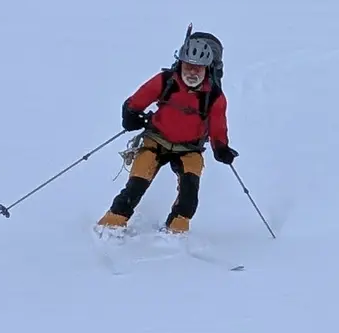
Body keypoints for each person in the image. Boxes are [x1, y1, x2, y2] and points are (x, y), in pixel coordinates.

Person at [97, 31, 236, 234]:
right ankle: (113, 221)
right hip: (156, 140)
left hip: (189, 148)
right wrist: (131, 114)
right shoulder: (166, 81)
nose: (192, 73)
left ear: (207, 69)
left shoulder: (214, 97)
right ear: (180, 63)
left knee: (190, 193)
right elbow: (137, 100)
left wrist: (221, 148)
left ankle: (176, 228)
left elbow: (218, 126)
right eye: (188, 66)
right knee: (137, 183)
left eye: (198, 69)